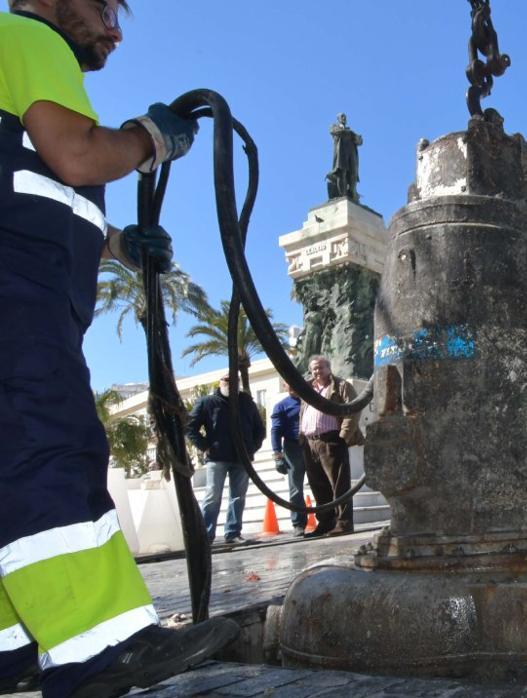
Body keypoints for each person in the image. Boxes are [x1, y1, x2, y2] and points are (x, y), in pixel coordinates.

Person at [0, 1, 238, 695]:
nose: (115, 27)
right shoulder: (26, 36)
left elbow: (35, 185)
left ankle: (12, 645)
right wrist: (147, 138)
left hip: (23, 293)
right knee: (49, 447)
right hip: (18, 301)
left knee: (9, 463)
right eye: (104, 4)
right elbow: (75, 155)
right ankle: (100, 646)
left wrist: (119, 246)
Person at [186, 375, 264, 545]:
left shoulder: (246, 402)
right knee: (212, 496)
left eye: (233, 381)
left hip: (241, 458)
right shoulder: (207, 402)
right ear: (220, 383)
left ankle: (233, 533)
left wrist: (251, 448)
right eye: (226, 381)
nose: (230, 384)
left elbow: (259, 428)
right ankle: (206, 536)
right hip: (217, 457)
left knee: (238, 497)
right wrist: (205, 446)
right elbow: (190, 427)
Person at [299, 355, 363, 538]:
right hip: (310, 442)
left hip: (331, 440)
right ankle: (326, 523)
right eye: (313, 369)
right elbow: (302, 412)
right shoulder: (308, 389)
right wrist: (302, 435)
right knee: (318, 485)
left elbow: (354, 408)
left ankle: (343, 523)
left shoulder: (341, 386)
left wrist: (343, 436)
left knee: (338, 484)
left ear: (328, 368)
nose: (316, 372)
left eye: (320, 368)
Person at [270, 382, 306, 537]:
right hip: (293, 447)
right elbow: (275, 431)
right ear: (285, 386)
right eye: (288, 384)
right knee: (295, 488)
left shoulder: (310, 400)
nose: (292, 386)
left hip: (313, 444)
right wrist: (277, 454)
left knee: (321, 483)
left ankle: (327, 519)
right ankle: (298, 524)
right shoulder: (281, 406)